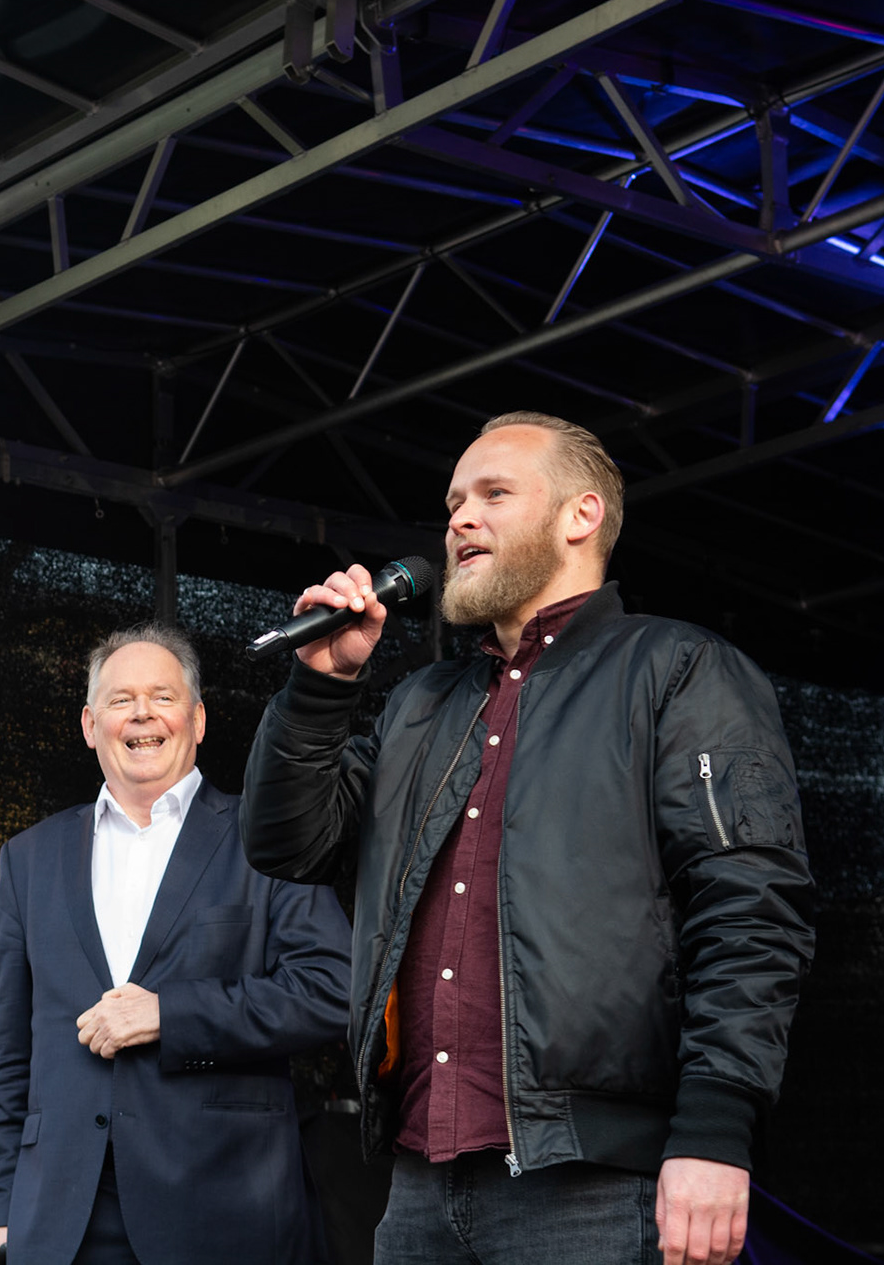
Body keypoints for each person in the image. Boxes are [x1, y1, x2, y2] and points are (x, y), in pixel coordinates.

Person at [238, 412, 815, 1265]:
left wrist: (714, 1131)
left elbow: (750, 912)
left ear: (580, 516)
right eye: (452, 503)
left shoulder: (675, 667)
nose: (459, 519)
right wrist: (323, 689)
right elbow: (289, 844)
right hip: (420, 1182)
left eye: (492, 495)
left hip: (596, 1182)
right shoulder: (422, 704)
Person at [0, 624, 352, 1265]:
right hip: (60, 1223)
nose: (142, 713)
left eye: (162, 697)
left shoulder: (264, 839)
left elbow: (331, 990)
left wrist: (169, 1013)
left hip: (226, 1211)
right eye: (121, 700)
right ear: (90, 725)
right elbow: (11, 1057)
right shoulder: (29, 859)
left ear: (198, 720)